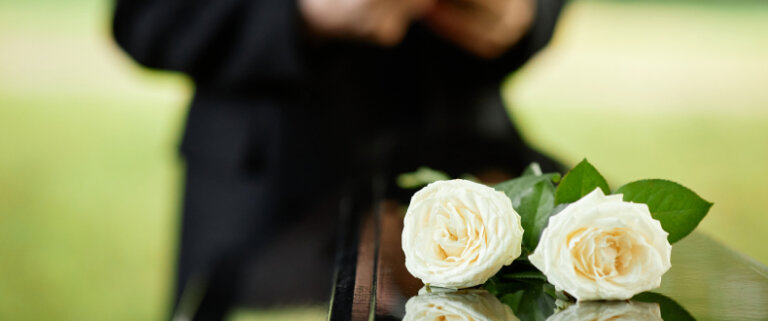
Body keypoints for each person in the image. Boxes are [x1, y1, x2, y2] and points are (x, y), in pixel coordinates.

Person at [113, 0, 564, 319]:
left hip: (472, 172)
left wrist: (524, 13)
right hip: (260, 192)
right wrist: (297, 13)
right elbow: (145, 15)